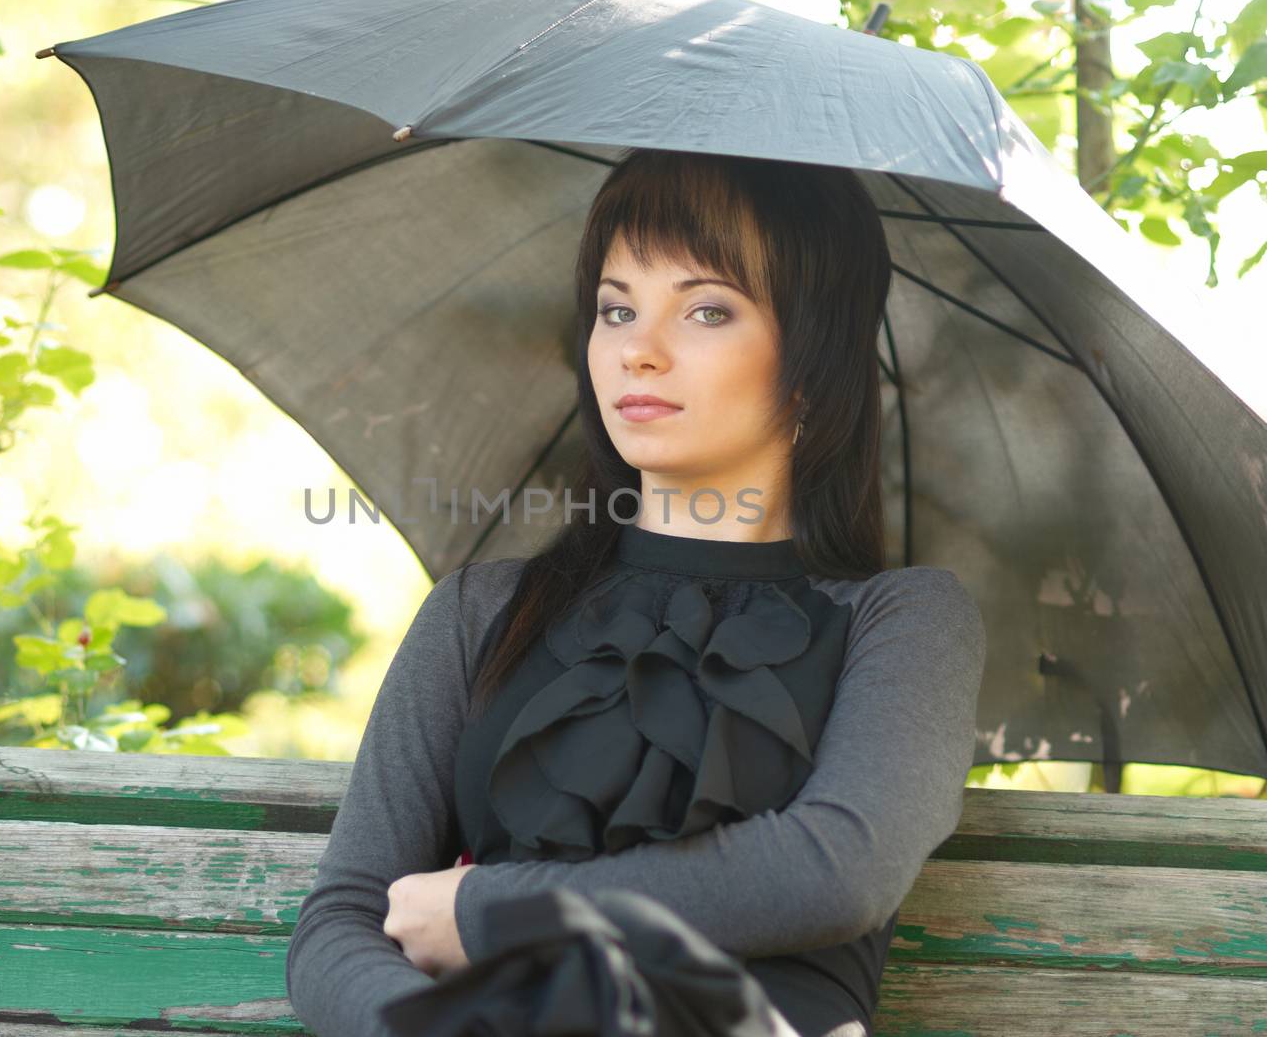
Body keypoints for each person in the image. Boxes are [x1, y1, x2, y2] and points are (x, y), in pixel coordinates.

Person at [284, 147, 987, 1036]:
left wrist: (494, 911)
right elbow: (341, 921)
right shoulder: (481, 610)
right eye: (617, 308)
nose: (638, 351)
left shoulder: (903, 621)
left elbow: (837, 869)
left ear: (809, 361)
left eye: (705, 309)